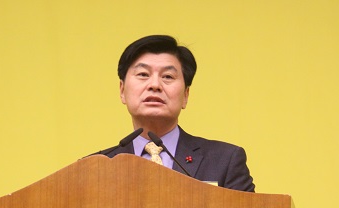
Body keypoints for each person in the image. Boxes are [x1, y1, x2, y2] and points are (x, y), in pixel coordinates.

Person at [104, 35, 256, 192]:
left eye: (168, 76)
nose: (155, 85)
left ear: (185, 95)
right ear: (122, 91)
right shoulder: (97, 167)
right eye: (143, 74)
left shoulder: (224, 161)